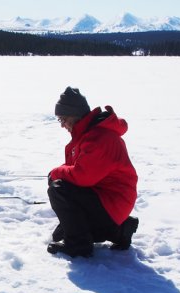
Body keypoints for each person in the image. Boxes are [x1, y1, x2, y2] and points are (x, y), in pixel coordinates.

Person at [47, 86, 139, 258]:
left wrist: (56, 173)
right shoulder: (88, 134)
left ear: (75, 115)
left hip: (112, 201)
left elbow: (82, 177)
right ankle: (119, 230)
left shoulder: (99, 137)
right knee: (62, 228)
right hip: (109, 200)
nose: (63, 125)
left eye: (63, 119)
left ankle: (78, 245)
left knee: (58, 188)